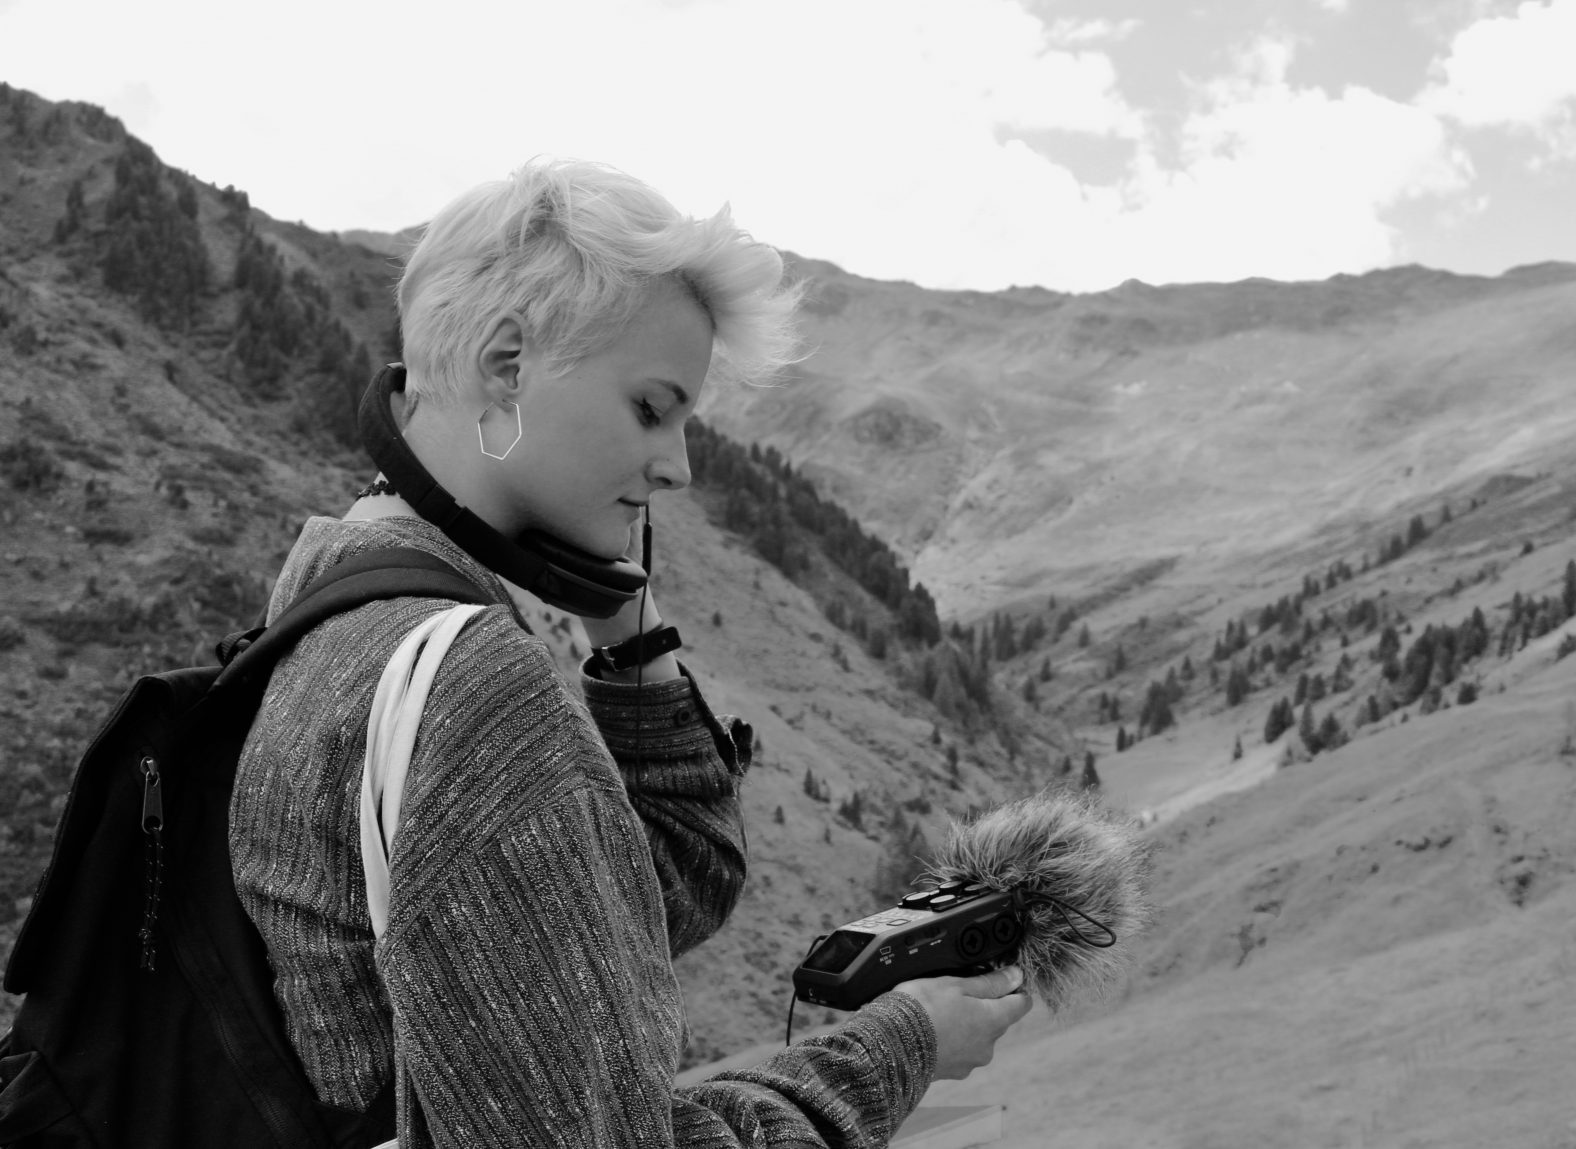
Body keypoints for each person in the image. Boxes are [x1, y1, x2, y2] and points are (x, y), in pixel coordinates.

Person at [229, 158, 1032, 1148]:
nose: (678, 467)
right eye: (652, 409)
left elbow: (651, 897)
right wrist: (904, 1043)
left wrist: (632, 634)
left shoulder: (334, 596)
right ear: (507, 365)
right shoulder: (472, 690)